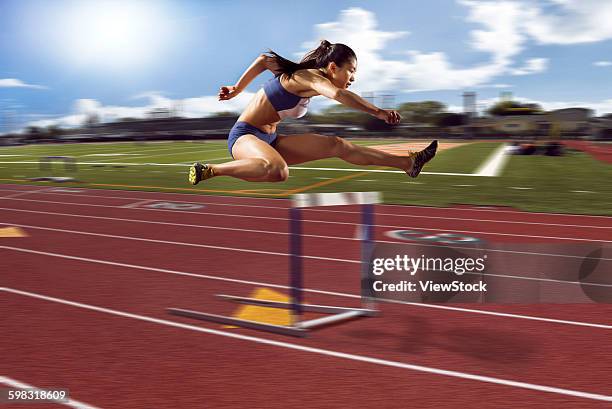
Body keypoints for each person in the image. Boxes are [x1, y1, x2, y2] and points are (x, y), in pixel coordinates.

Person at [189, 40, 437, 185]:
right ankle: (210, 169)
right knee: (278, 171)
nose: (353, 77)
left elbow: (265, 60)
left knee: (337, 145)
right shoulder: (310, 78)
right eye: (351, 70)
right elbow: (339, 95)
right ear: (332, 67)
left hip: (272, 139)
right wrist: (378, 112)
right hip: (245, 136)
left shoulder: (306, 77)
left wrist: (236, 89)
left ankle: (409, 163)